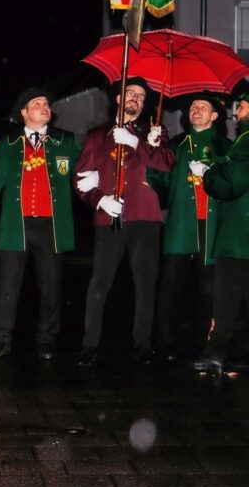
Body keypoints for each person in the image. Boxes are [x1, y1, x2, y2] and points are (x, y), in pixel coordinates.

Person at [0, 88, 81, 361]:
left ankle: (47, 340)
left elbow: (85, 172)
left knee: (51, 285)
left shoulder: (65, 141)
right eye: (38, 103)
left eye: (47, 103)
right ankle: (1, 339)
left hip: (52, 227)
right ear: (24, 112)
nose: (45, 107)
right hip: (15, 227)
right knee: (8, 285)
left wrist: (99, 186)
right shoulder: (8, 144)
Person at [73, 77, 176, 365]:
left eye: (141, 97)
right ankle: (89, 345)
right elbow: (80, 180)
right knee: (100, 282)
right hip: (110, 216)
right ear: (118, 99)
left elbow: (167, 163)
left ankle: (142, 344)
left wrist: (136, 142)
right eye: (130, 93)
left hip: (146, 215)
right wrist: (100, 199)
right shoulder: (97, 136)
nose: (136, 99)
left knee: (145, 283)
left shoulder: (154, 131)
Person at [147, 93, 230, 360]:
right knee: (170, 285)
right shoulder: (176, 145)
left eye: (202, 107)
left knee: (209, 287)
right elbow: (158, 181)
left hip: (213, 224)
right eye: (193, 107)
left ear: (214, 116)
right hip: (181, 223)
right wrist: (153, 150)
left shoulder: (226, 146)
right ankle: (164, 342)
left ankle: (204, 343)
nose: (196, 110)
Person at [190, 88, 249, 372]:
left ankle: (215, 353)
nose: (237, 113)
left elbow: (231, 186)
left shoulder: (246, 141)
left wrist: (207, 173)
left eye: (243, 107)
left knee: (225, 298)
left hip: (238, 235)